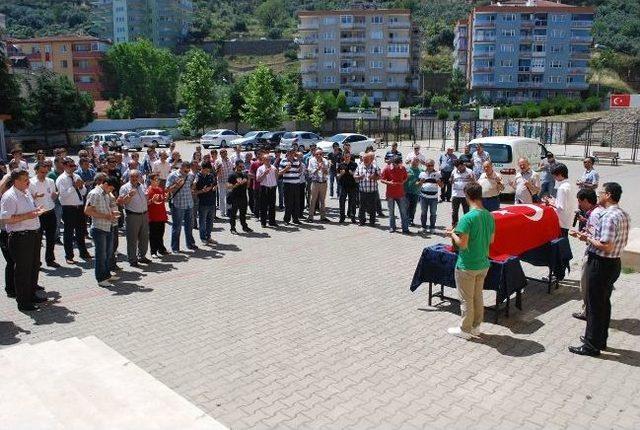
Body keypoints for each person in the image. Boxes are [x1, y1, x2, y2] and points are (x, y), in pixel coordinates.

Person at [569, 182, 630, 357]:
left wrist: (585, 237)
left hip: (601, 264)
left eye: (601, 192)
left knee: (595, 305)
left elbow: (606, 246)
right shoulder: (622, 213)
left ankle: (591, 346)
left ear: (608, 195)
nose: (598, 195)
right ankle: (599, 339)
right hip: (613, 264)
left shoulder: (609, 216)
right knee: (603, 303)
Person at [445, 182, 495, 339]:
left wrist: (452, 234)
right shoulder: (489, 215)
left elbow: (462, 244)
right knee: (477, 296)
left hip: (467, 264)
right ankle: (476, 327)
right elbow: (491, 240)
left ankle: (465, 329)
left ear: (467, 196)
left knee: (466, 299)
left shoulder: (467, 218)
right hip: (483, 263)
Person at [0, 170, 47, 311]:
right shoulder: (9, 196)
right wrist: (29, 215)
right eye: (25, 179)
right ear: (16, 181)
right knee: (23, 270)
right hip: (20, 238)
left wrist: (36, 211)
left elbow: (29, 212)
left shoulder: (25, 193)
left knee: (33, 266)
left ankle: (31, 294)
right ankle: (23, 302)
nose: (28, 182)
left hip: (33, 235)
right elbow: (6, 219)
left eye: (28, 179)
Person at [569, 188, 605, 321]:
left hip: (593, 253)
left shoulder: (595, 214)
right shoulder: (597, 211)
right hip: (597, 254)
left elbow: (595, 237)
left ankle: (588, 312)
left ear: (585, 200)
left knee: (585, 284)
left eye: (579, 201)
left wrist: (581, 235)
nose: (578, 204)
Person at [85, 176, 120, 287]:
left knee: (108, 253)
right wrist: (106, 216)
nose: (111, 191)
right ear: (105, 184)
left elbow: (104, 209)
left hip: (108, 226)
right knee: (101, 255)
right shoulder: (95, 193)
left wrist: (112, 214)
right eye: (110, 189)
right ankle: (101, 278)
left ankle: (106, 275)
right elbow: (87, 211)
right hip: (99, 228)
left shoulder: (105, 194)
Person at [56, 157, 91, 264]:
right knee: (69, 233)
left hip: (79, 207)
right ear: (65, 166)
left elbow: (84, 192)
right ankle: (69, 256)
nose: (73, 168)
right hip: (68, 208)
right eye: (71, 166)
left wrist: (81, 187)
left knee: (81, 231)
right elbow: (63, 195)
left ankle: (83, 252)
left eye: (74, 166)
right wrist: (73, 186)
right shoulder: (61, 179)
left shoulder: (77, 176)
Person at [117, 170, 151, 267]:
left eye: (137, 176)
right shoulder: (125, 187)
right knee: (132, 239)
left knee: (144, 238)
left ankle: (142, 256)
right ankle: (132, 259)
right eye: (132, 176)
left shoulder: (142, 186)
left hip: (144, 214)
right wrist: (129, 195)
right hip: (133, 216)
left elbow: (146, 200)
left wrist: (150, 199)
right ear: (129, 177)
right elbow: (122, 202)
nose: (135, 178)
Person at [29, 162, 59, 268]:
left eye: (46, 172)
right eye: (42, 172)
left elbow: (53, 196)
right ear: (36, 170)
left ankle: (50, 260)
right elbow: (27, 199)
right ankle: (36, 262)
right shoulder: (31, 182)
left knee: (51, 238)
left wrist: (56, 195)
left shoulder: (50, 181)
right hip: (39, 215)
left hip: (50, 212)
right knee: (37, 240)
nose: (44, 174)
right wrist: (35, 196)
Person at [166, 162, 197, 252]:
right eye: (185, 170)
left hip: (189, 203)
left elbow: (191, 185)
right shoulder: (173, 175)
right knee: (177, 226)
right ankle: (175, 247)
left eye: (188, 170)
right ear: (181, 167)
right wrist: (176, 185)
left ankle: (190, 244)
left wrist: (194, 185)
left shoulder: (190, 175)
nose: (187, 172)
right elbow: (167, 189)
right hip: (178, 204)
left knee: (189, 225)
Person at [544, 163, 576, 238]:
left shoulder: (562, 188)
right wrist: (554, 200)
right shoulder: (570, 185)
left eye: (555, 175)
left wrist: (549, 203)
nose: (554, 178)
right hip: (569, 218)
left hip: (561, 221)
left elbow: (560, 207)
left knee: (561, 243)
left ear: (560, 174)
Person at [380, 155, 409, 234]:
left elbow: (406, 177)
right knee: (391, 212)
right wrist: (389, 182)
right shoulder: (387, 168)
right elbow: (382, 179)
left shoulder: (402, 168)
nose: (399, 166)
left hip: (400, 193)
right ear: (393, 163)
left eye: (399, 164)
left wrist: (403, 181)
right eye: (397, 164)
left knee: (403, 212)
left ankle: (405, 228)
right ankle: (392, 227)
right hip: (390, 194)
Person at [146, 173, 169, 257]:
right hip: (153, 216)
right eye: (156, 179)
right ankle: (153, 252)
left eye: (158, 179)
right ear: (151, 180)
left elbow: (163, 201)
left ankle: (161, 249)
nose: (158, 181)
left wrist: (167, 197)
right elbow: (146, 203)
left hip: (161, 215)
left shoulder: (160, 189)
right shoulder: (148, 190)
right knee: (153, 235)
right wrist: (152, 200)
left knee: (160, 233)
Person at [194, 162, 217, 245]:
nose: (208, 172)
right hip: (202, 203)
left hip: (211, 201)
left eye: (209, 170)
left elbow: (214, 184)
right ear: (202, 169)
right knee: (202, 221)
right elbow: (193, 191)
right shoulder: (197, 177)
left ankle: (209, 237)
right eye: (206, 170)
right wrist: (202, 191)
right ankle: (203, 238)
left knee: (210, 221)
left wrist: (214, 187)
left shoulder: (210, 175)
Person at [227, 160, 253, 233]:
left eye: (242, 166)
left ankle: (244, 226)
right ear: (236, 165)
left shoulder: (244, 174)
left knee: (243, 213)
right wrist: (236, 184)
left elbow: (247, 186)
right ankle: (232, 228)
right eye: (240, 166)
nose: (241, 168)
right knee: (233, 213)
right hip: (235, 196)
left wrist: (249, 179)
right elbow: (228, 186)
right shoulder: (232, 174)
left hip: (243, 196)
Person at [355, 153, 380, 226]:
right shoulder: (359, 167)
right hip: (362, 191)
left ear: (370, 159)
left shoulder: (375, 167)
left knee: (372, 207)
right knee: (362, 207)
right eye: (364, 159)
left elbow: (380, 176)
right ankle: (361, 221)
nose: (365, 160)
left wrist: (374, 177)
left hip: (372, 191)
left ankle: (372, 222)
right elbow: (355, 176)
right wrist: (359, 177)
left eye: (366, 159)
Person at [418, 159, 442, 234]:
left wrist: (439, 182)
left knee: (433, 213)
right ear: (426, 165)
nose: (430, 167)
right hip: (423, 197)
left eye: (432, 165)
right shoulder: (422, 173)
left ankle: (432, 227)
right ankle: (423, 227)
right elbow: (417, 184)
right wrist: (420, 182)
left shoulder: (438, 174)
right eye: (429, 165)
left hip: (433, 198)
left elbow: (442, 186)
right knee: (423, 213)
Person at [279, 149, 302, 225]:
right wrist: (286, 169)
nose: (292, 154)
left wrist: (300, 169)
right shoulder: (283, 161)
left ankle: (295, 219)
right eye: (290, 153)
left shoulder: (296, 161)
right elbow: (279, 173)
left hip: (296, 184)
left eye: (293, 153)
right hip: (287, 184)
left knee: (296, 202)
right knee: (288, 203)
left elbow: (299, 171)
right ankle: (286, 219)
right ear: (287, 153)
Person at [256, 155, 278, 227]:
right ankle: (263, 222)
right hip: (264, 188)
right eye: (266, 159)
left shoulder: (273, 167)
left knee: (272, 206)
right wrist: (264, 174)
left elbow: (276, 178)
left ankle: (272, 222)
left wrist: (277, 173)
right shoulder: (260, 168)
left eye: (269, 159)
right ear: (263, 160)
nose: (268, 161)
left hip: (272, 188)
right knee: (264, 206)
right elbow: (258, 179)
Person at [307, 150, 330, 222]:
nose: (318, 155)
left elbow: (327, 173)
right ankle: (310, 217)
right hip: (315, 183)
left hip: (323, 182)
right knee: (313, 200)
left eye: (320, 154)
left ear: (322, 154)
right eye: (317, 154)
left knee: (322, 200)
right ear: (314, 154)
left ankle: (323, 217)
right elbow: (310, 173)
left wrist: (323, 169)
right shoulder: (311, 160)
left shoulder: (325, 161)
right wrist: (317, 168)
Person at [450, 160, 474, 227]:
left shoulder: (470, 171)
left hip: (466, 196)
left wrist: (471, 179)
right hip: (455, 195)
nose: (459, 169)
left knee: (466, 212)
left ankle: (467, 226)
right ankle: (455, 226)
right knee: (454, 212)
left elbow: (474, 182)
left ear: (463, 165)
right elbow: (450, 181)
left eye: (460, 167)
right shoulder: (454, 171)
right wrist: (451, 180)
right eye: (458, 168)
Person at [337, 152, 358, 223]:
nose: (347, 158)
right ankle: (342, 217)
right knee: (342, 201)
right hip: (343, 186)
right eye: (345, 157)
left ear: (350, 157)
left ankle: (353, 216)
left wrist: (352, 173)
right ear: (343, 157)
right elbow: (337, 176)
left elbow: (357, 175)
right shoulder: (340, 165)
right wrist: (341, 174)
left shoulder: (354, 164)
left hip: (352, 186)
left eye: (348, 157)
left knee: (353, 202)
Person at [215, 149, 234, 218]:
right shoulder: (218, 161)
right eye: (223, 152)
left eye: (225, 152)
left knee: (229, 197)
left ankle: (229, 210)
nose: (224, 154)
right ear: (220, 154)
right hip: (222, 182)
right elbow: (216, 172)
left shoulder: (229, 160)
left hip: (229, 182)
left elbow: (232, 169)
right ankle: (222, 212)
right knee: (222, 197)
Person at [404, 157, 422, 227]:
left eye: (417, 161)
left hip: (416, 192)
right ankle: (405, 220)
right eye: (414, 161)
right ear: (410, 162)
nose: (415, 163)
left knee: (413, 207)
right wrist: (406, 177)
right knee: (406, 207)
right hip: (406, 191)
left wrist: (420, 182)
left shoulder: (421, 171)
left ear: (418, 163)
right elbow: (401, 179)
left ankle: (411, 220)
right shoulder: (406, 169)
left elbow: (422, 179)